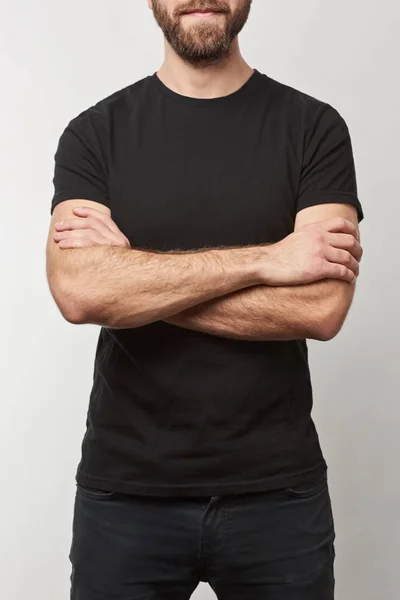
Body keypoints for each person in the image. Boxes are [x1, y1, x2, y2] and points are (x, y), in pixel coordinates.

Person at [46, 1, 364, 598]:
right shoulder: (95, 133)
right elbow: (78, 291)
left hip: (278, 496)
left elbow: (321, 308)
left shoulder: (314, 127)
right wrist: (266, 260)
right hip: (125, 497)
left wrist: (134, 282)